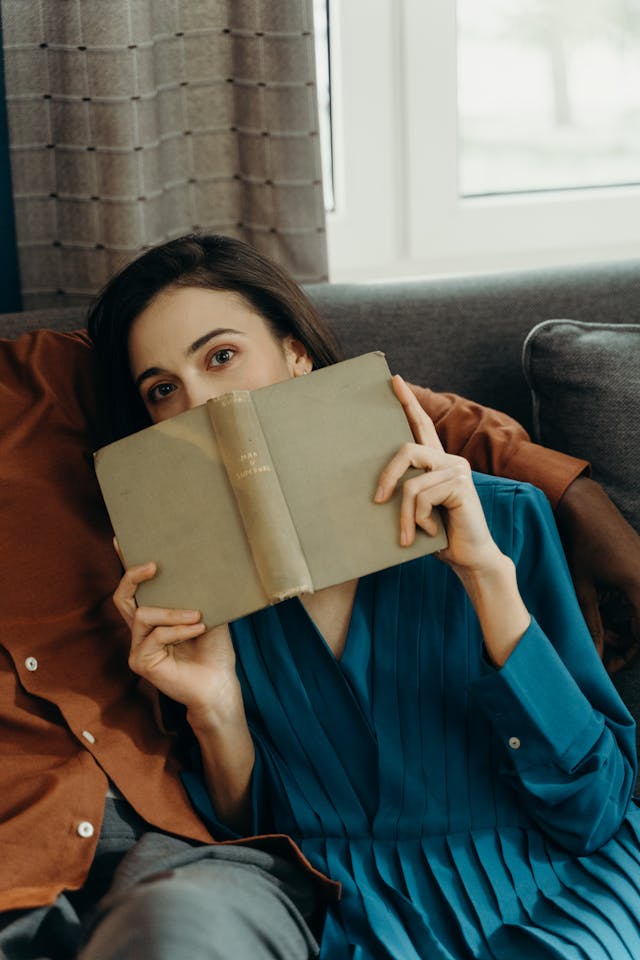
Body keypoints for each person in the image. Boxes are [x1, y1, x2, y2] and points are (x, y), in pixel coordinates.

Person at [84, 233, 640, 959]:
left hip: (558, 893)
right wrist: (217, 710)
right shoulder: (194, 591)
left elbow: (596, 812)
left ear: (296, 355)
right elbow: (252, 842)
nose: (200, 405)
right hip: (355, 919)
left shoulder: (501, 518)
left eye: (221, 357)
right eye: (164, 389)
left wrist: (486, 579)